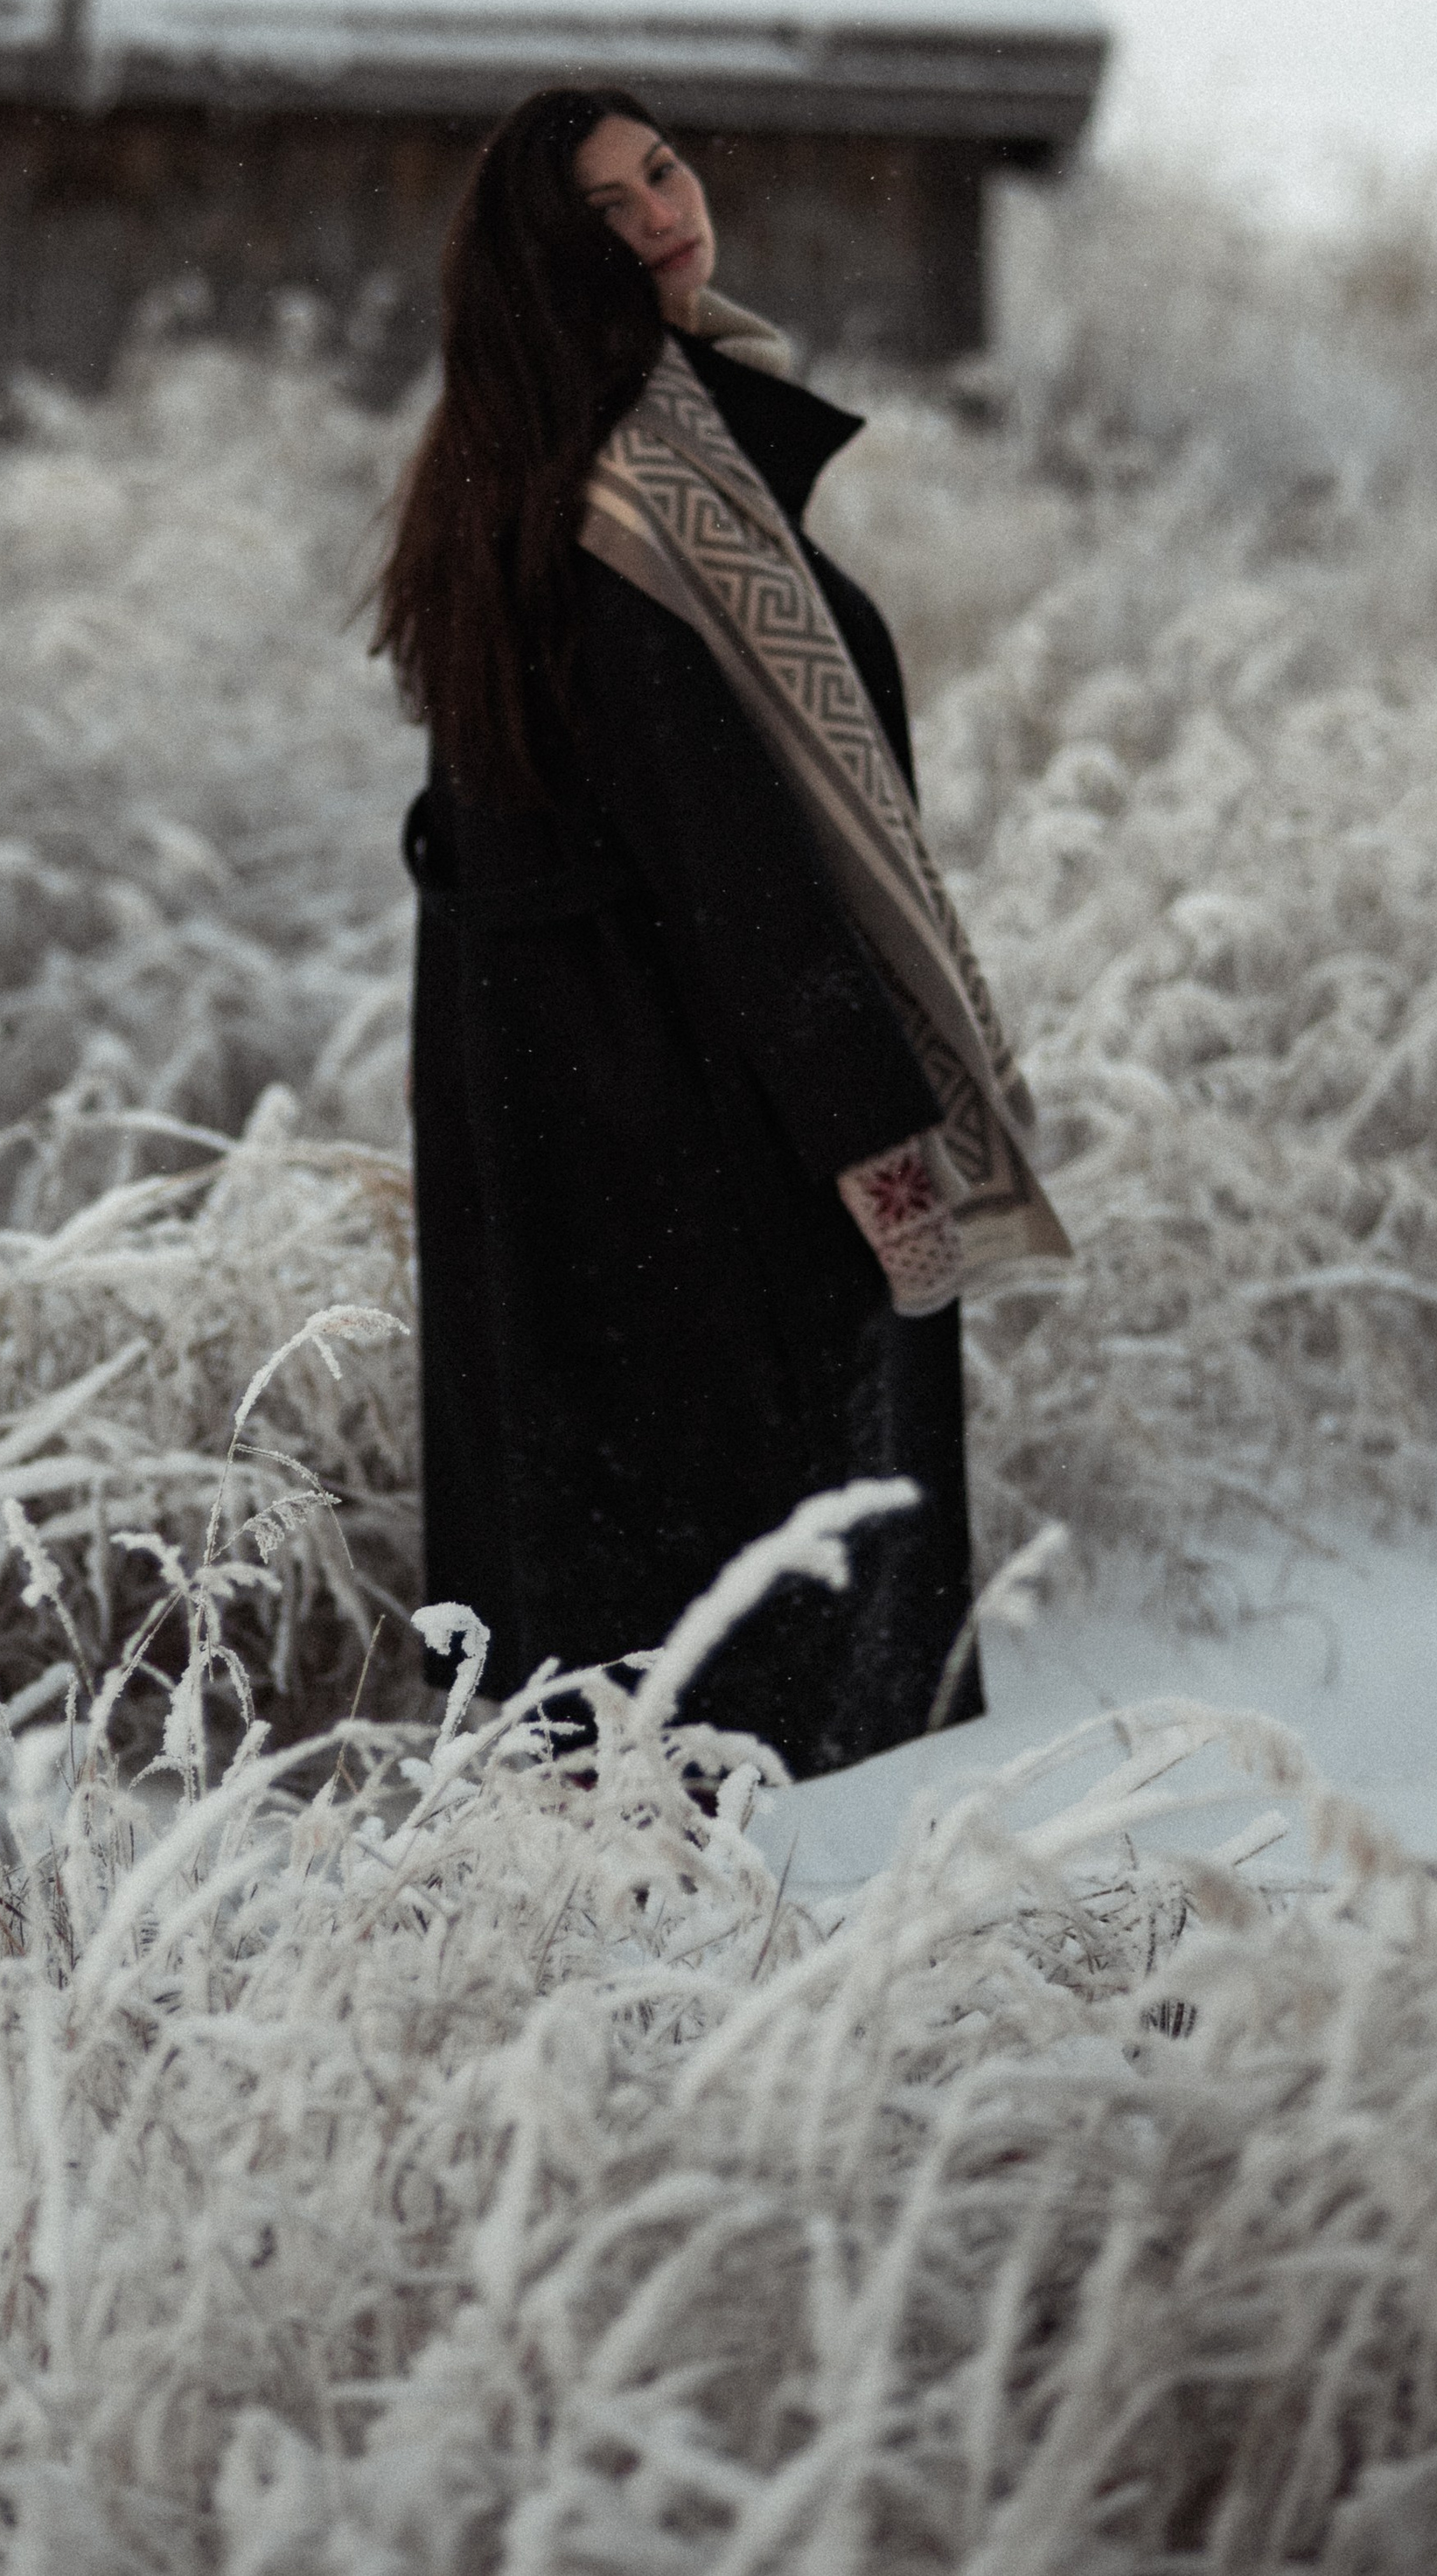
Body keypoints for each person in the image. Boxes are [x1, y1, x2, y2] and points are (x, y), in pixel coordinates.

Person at [374, 87, 1067, 1777]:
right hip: (683, 1131)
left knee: (608, 1607)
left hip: (563, 1119)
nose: (661, 213)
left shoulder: (527, 454)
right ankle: (708, 1993)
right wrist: (883, 1157)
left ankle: (611, 1959)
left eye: (663, 171)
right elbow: (741, 871)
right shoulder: (647, 494)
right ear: (552, 257)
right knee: (737, 1614)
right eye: (605, 207)